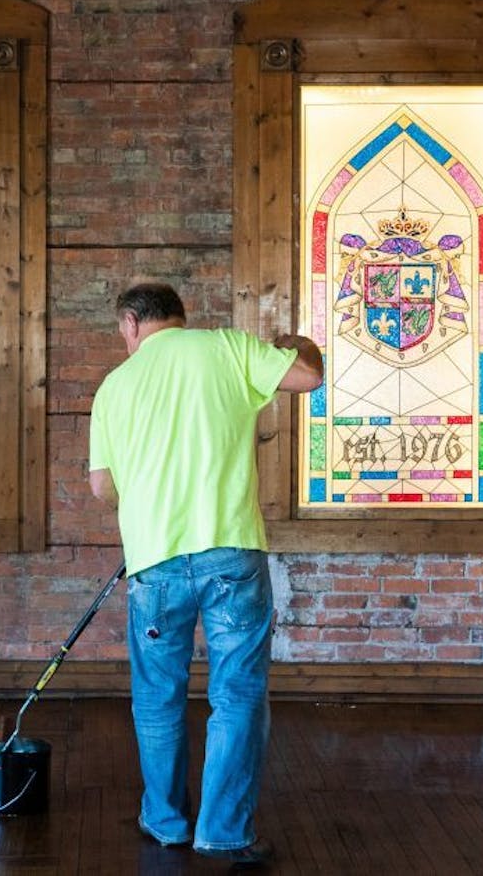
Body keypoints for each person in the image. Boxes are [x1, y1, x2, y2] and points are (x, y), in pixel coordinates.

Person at [88, 281, 324, 867]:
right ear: (180, 318)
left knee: (157, 697)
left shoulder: (116, 386)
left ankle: (165, 822)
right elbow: (307, 377)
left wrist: (143, 495)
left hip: (155, 561)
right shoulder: (227, 348)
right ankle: (223, 832)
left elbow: (101, 487)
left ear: (130, 324)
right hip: (231, 554)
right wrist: (302, 344)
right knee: (237, 694)